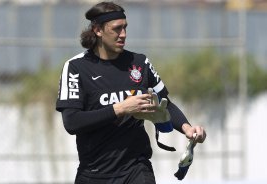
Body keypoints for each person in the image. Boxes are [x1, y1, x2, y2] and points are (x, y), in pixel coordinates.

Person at [56, 1, 206, 184]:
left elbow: (165, 102)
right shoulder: (76, 67)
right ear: (98, 30)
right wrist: (120, 108)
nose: (123, 35)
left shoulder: (140, 63)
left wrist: (187, 128)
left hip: (136, 169)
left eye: (125, 28)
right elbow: (72, 122)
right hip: (94, 172)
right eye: (117, 29)